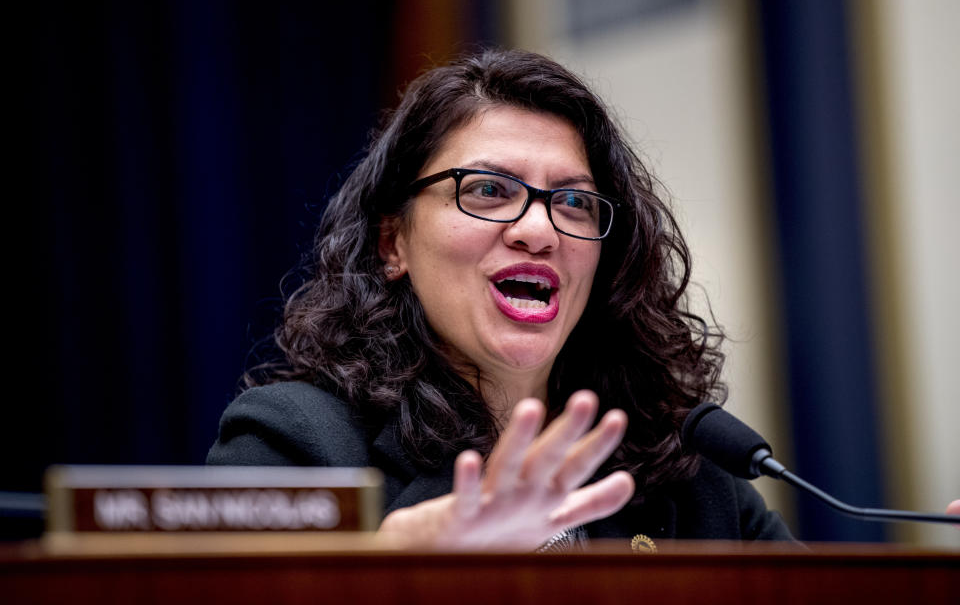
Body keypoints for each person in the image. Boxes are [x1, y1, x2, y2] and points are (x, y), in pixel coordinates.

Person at [207, 48, 794, 549]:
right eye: (488, 190)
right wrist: (397, 570)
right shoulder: (295, 443)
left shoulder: (686, 466)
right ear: (394, 244)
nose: (539, 229)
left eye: (573, 201)